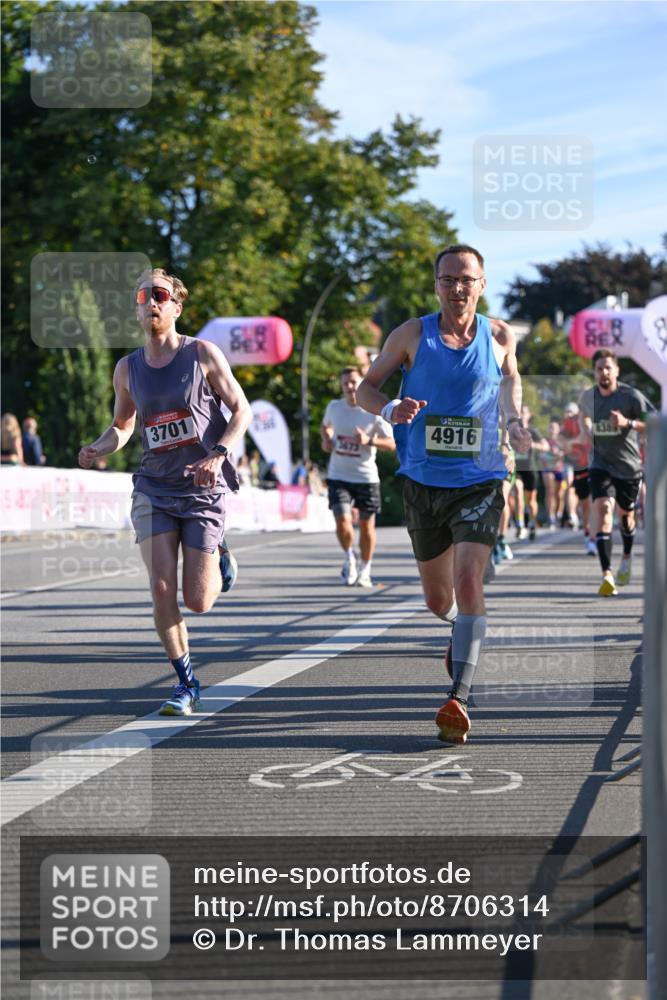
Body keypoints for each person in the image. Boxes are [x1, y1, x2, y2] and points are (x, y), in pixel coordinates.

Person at [357, 244, 531, 744]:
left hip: (480, 478)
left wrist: (515, 423)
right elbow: (366, 389)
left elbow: (511, 382)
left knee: (470, 578)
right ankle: (459, 629)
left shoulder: (500, 336)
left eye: (467, 279)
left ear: (482, 283)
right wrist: (391, 409)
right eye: (448, 279)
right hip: (422, 480)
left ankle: (460, 695)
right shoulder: (411, 334)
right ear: (437, 285)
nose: (458, 287)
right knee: (439, 599)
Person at [79, 268, 251, 715]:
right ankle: (187, 683)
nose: (150, 302)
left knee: (199, 601)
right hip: (154, 488)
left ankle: (220, 552)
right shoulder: (127, 368)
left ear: (176, 306)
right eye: (143, 295)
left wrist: (218, 454)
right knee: (160, 587)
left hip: (201, 488)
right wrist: (99, 446)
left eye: (159, 294)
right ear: (138, 309)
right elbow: (122, 425)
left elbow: (241, 410)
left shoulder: (202, 354)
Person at [579, 348, 653, 596]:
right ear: (594, 371)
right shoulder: (588, 397)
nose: (604, 372)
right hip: (600, 464)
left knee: (626, 517)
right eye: (600, 368)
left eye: (608, 367)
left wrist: (627, 423)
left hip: (629, 467)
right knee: (604, 509)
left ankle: (627, 556)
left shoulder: (631, 397)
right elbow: (583, 417)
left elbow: (652, 424)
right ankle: (607, 575)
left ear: (617, 370)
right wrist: (586, 427)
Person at [321, 366, 396, 588]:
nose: (350, 387)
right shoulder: (334, 407)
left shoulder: (372, 411)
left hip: (366, 477)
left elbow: (392, 444)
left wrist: (369, 441)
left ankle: (366, 569)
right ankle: (349, 557)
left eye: (354, 382)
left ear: (361, 383)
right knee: (342, 520)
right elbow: (327, 436)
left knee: (366, 526)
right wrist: (326, 441)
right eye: (346, 383)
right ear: (342, 386)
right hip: (338, 474)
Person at [558, 401, 595, 554]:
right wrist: (573, 441)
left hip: (595, 464)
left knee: (595, 502)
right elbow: (561, 441)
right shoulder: (569, 422)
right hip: (577, 464)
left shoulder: (593, 419)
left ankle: (594, 536)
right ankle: (586, 530)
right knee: (585, 502)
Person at [514, 404, 545, 540]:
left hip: (530, 468)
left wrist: (532, 444)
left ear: (529, 415)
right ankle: (520, 525)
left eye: (524, 411)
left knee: (531, 500)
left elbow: (546, 446)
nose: (521, 413)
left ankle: (532, 523)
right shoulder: (512, 430)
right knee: (518, 492)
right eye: (519, 411)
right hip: (516, 468)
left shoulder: (533, 431)